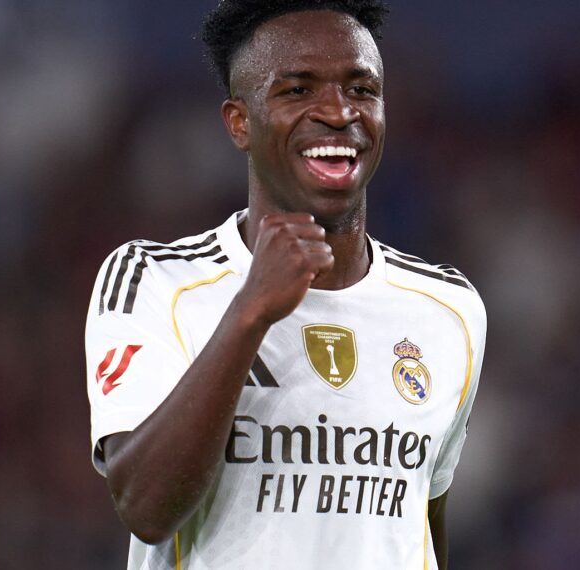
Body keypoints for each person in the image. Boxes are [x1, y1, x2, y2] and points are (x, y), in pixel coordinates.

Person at [85, 1, 487, 568]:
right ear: (239, 122)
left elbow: (420, 523)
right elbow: (146, 507)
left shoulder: (448, 309)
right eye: (298, 90)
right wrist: (250, 310)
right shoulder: (157, 282)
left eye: (361, 89)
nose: (337, 112)